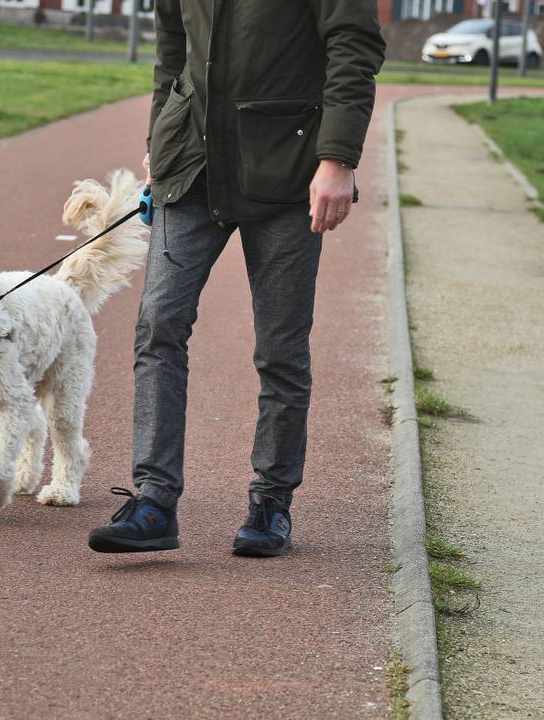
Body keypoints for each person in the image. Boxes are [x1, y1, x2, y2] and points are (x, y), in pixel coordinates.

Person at [88, 0, 386, 557]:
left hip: (289, 170)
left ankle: (271, 502)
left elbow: (353, 51)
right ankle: (154, 501)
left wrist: (338, 159)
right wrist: (160, 137)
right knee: (159, 325)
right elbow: (171, 52)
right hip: (193, 165)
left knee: (280, 349)